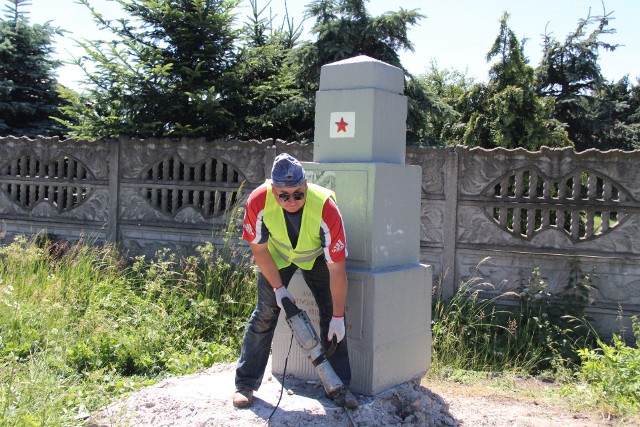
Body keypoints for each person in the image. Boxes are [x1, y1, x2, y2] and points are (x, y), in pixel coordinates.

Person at [233, 153, 358, 410]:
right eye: (284, 196)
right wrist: (279, 289)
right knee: (266, 312)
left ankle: (339, 387)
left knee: (331, 316)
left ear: (306, 187)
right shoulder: (257, 201)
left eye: (298, 194)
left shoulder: (326, 208)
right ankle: (245, 384)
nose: (292, 201)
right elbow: (259, 250)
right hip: (278, 256)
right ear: (273, 190)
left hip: (316, 258)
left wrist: (337, 316)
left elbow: (337, 270)